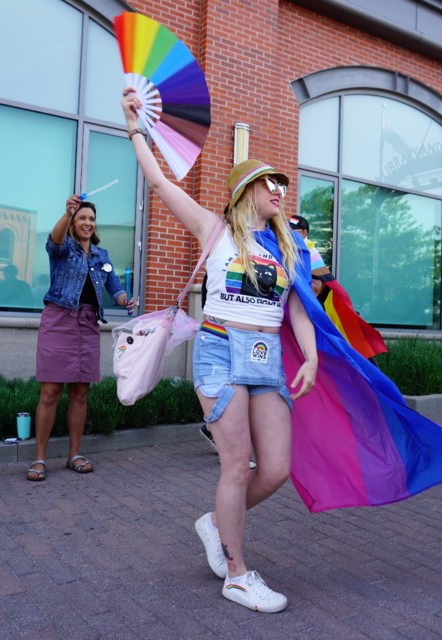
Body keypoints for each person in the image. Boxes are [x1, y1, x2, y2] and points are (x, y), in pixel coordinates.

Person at [123, 90, 318, 613]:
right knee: (236, 466)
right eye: (269, 182)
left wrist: (313, 355)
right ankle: (237, 574)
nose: (280, 189)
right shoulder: (214, 230)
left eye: (281, 182)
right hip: (218, 350)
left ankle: (215, 522)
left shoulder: (286, 247)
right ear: (244, 192)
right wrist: (135, 129)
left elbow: (298, 309)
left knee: (274, 468)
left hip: (266, 359)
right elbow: (161, 182)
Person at [26, 197, 134, 482]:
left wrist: (125, 300)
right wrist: (66, 213)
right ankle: (39, 458)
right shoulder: (63, 249)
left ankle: (74, 455)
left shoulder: (101, 255)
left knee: (80, 392)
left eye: (91, 219)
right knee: (50, 392)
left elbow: (115, 288)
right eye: (82, 218)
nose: (88, 223)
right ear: (74, 223)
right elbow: (54, 240)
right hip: (59, 319)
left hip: (87, 323)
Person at [287, 215, 386, 361]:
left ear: (303, 233)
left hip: (322, 313)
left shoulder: (308, 253)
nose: (287, 235)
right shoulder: (292, 251)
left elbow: (316, 285)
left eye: (292, 231)